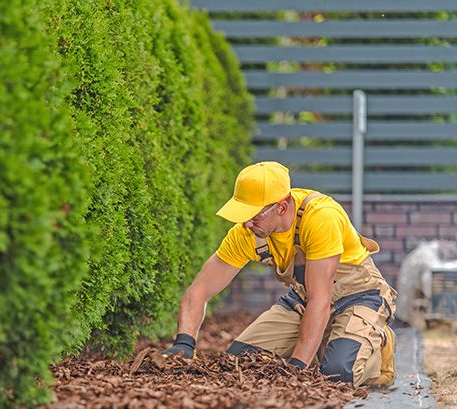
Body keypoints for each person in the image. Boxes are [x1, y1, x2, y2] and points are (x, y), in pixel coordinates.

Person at [163, 161, 397, 386]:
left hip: (359, 297)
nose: (246, 224)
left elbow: (321, 299)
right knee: (241, 362)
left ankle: (379, 344)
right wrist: (185, 342)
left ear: (282, 207)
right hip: (305, 299)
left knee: (336, 374)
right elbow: (199, 290)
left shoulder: (321, 217)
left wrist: (296, 369)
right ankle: (332, 342)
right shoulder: (247, 232)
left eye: (253, 215)